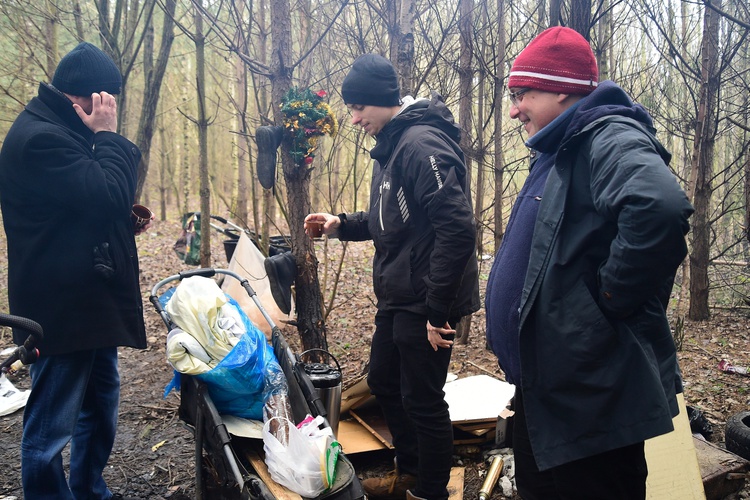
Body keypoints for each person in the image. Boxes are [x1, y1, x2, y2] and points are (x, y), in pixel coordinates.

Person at [484, 27, 694, 499]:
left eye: (522, 94)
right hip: (548, 392)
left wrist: (609, 299)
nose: (514, 108)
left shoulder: (608, 132)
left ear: (560, 88)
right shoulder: (564, 143)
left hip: (591, 395)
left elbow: (659, 208)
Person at [305, 53, 479, 500]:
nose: (355, 117)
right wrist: (341, 224)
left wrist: (437, 311)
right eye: (351, 108)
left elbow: (458, 230)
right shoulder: (391, 145)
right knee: (383, 381)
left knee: (422, 398)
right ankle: (411, 465)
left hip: (427, 298)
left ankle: (431, 489)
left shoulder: (421, 145)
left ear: (383, 100)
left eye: (360, 107)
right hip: (400, 293)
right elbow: (391, 221)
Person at [0, 42, 148, 499]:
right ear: (86, 98)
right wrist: (106, 135)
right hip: (59, 309)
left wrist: (123, 222)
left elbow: (84, 207)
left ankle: (88, 489)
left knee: (100, 406)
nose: (110, 110)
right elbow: (104, 193)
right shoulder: (41, 138)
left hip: (89, 303)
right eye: (107, 100)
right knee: (50, 428)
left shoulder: (61, 130)